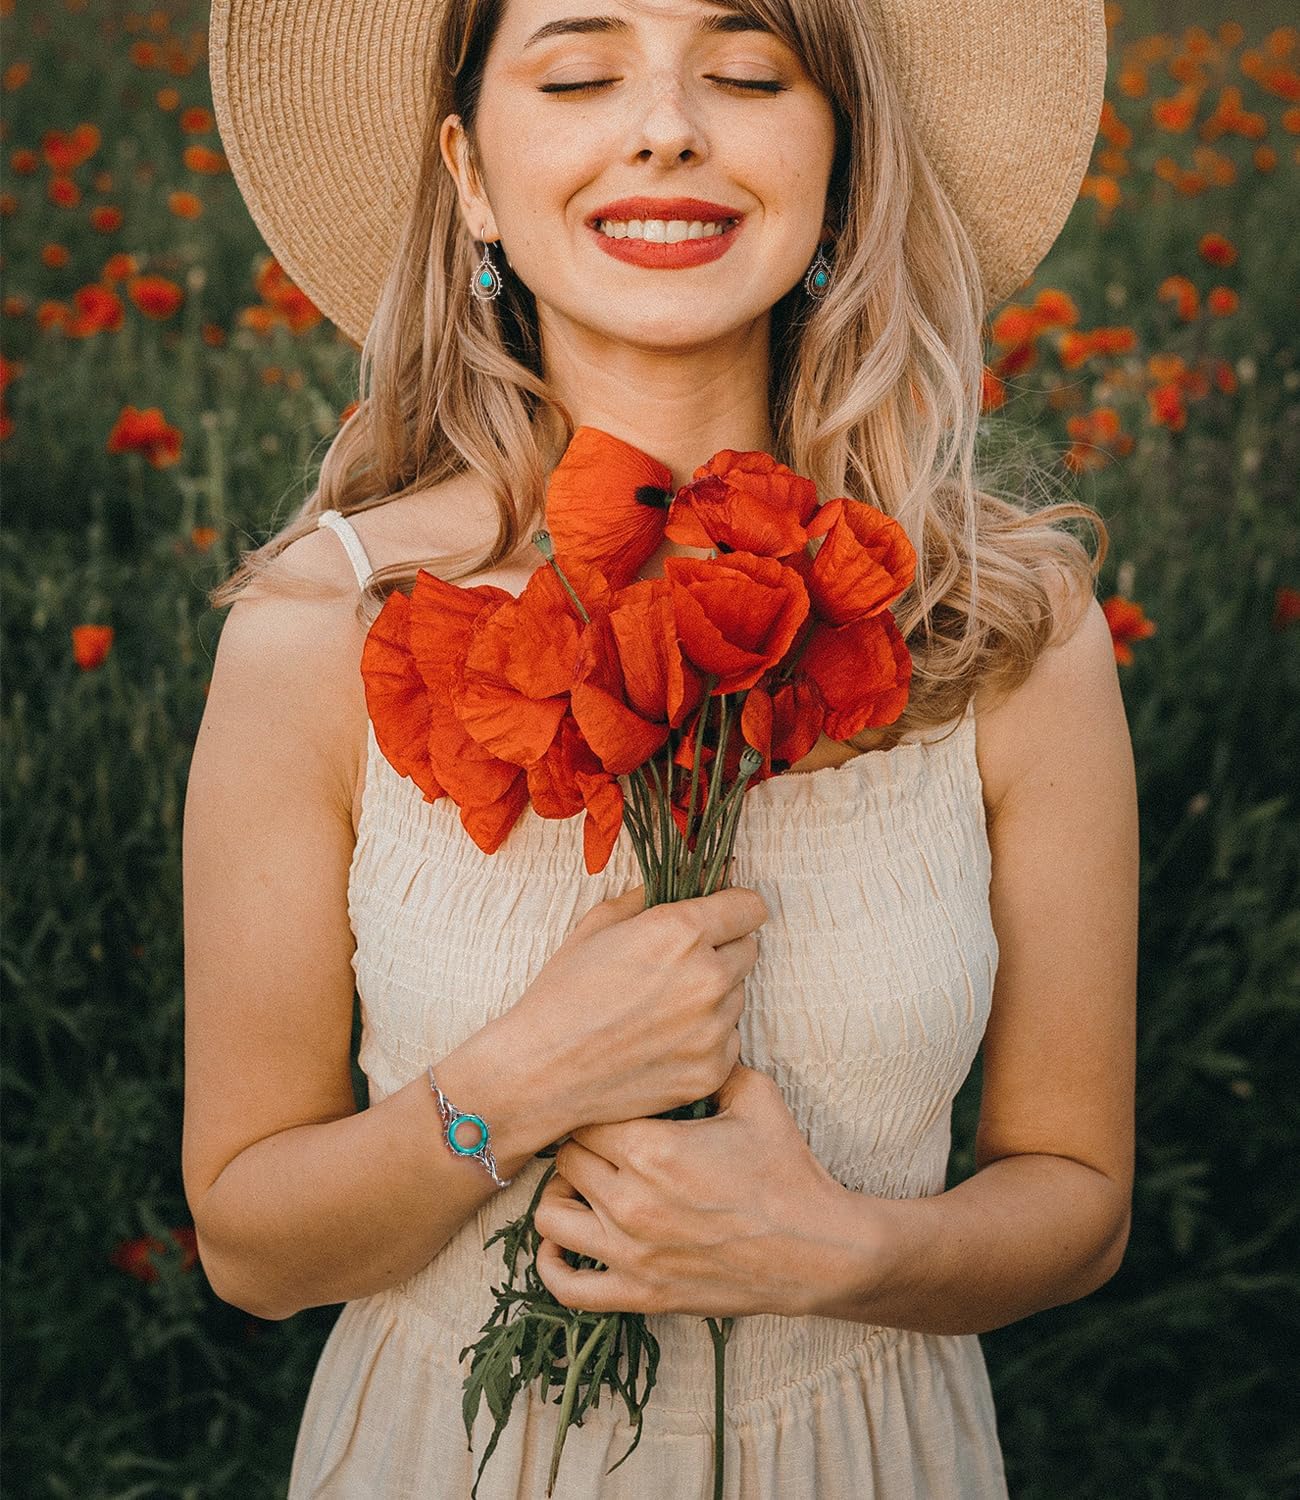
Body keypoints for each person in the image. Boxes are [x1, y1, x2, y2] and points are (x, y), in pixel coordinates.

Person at [185, 0, 1135, 1494]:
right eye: (577, 72)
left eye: (750, 71)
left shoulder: (1006, 630)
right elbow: (248, 1243)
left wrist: (841, 1253)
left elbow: (1080, 1201)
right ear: (475, 176)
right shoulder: (318, 630)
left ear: (841, 164)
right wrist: (517, 1082)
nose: (667, 123)